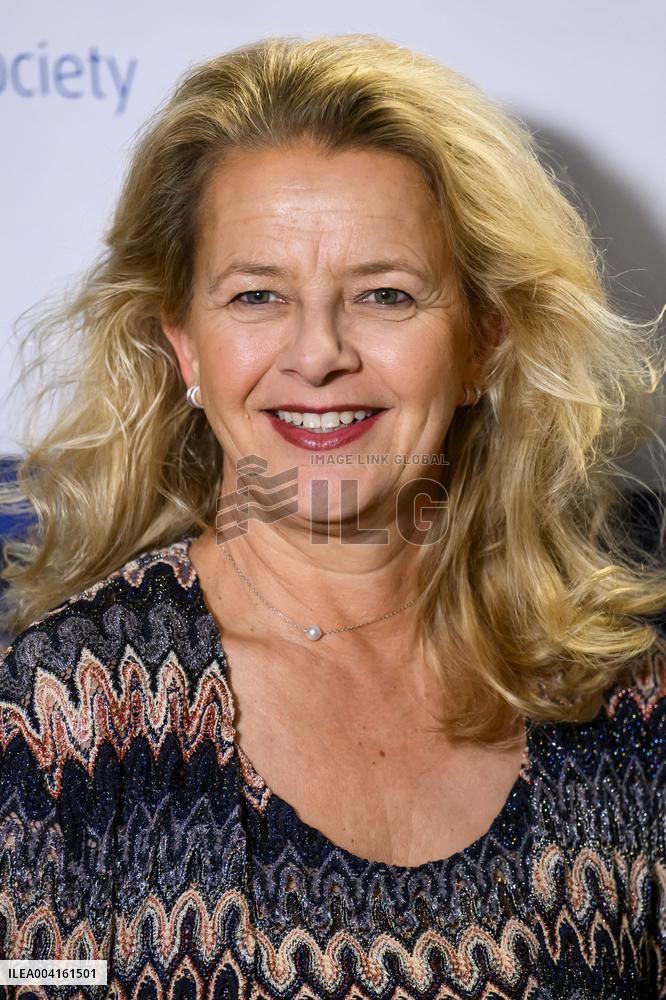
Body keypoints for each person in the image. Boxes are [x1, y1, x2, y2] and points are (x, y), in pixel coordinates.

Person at [0, 32, 664, 1000]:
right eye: (257, 295)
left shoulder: (630, 688)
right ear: (184, 346)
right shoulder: (60, 713)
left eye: (385, 294)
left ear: (484, 340)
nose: (317, 354)